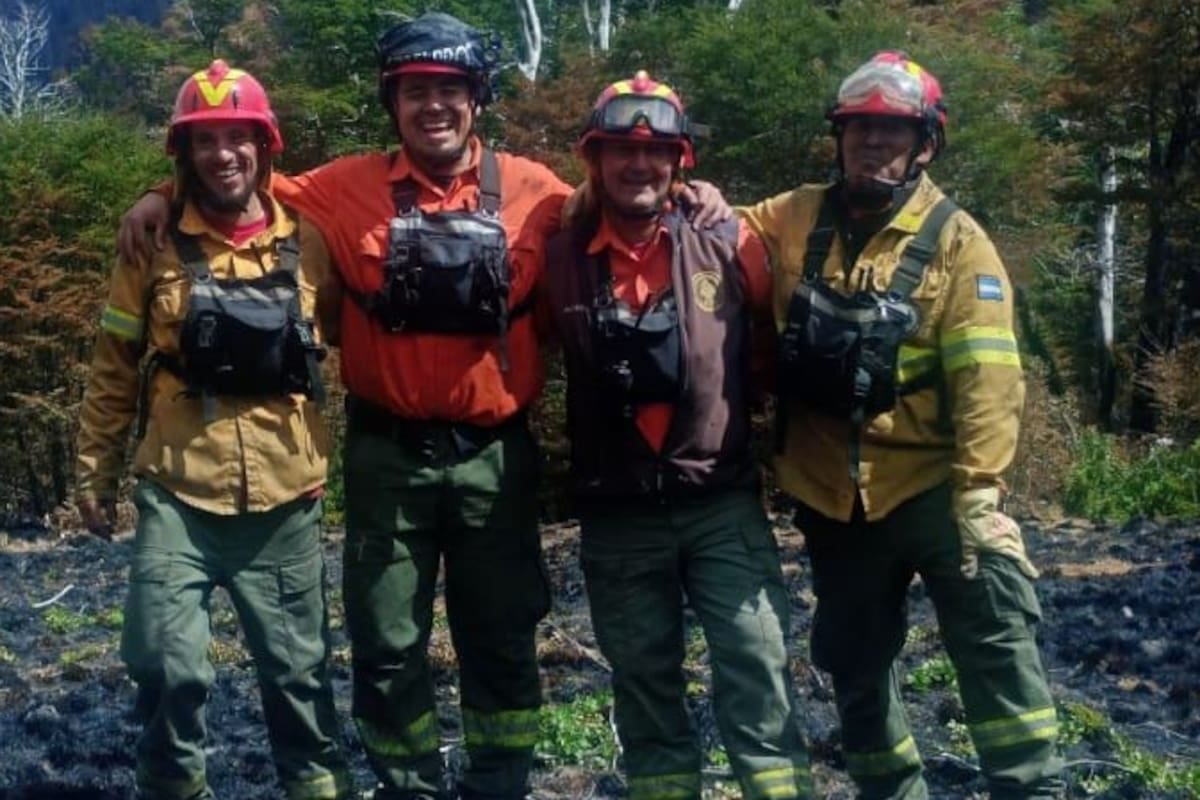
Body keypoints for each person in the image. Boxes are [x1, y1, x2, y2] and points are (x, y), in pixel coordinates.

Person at [118, 13, 730, 800]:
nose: (431, 106)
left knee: (502, 636)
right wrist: (158, 193)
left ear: (476, 98)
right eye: (413, 92)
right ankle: (405, 784)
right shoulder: (340, 188)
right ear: (392, 102)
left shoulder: (541, 195)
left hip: (495, 457)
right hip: (387, 458)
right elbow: (231, 179)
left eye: (448, 90)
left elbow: (627, 202)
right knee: (384, 643)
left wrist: (694, 188)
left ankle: (499, 780)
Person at [738, 51, 1064, 799]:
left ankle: (1033, 786)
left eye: (892, 131)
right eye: (859, 130)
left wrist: (980, 497)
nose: (872, 144)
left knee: (994, 648)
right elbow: (713, 230)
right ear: (839, 138)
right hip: (833, 499)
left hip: (936, 491)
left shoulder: (959, 242)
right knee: (853, 664)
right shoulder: (793, 216)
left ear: (925, 144)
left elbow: (988, 378)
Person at [75, 60, 350, 800]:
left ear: (265, 146)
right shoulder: (150, 245)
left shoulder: (315, 243)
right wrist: (93, 471)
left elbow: (366, 347)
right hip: (178, 493)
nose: (223, 154)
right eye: (204, 141)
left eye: (239, 138)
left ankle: (316, 788)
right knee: (167, 664)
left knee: (300, 678)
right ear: (183, 153)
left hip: (288, 500)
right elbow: (113, 367)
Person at [539, 71, 812, 800]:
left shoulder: (728, 241)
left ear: (681, 161)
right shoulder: (557, 254)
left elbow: (770, 346)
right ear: (592, 159)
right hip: (617, 511)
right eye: (620, 151)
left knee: (756, 664)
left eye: (658, 151)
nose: (640, 164)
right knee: (644, 684)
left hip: (718, 500)